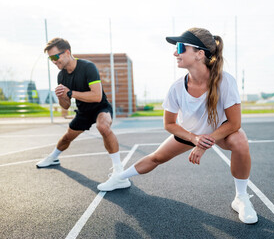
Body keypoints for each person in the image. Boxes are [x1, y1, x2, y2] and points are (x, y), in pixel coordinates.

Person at [97, 28, 258, 224]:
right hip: (190, 134)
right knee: (156, 157)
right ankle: (120, 177)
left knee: (240, 140)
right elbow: (169, 124)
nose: (175, 53)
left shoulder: (225, 81)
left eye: (181, 47)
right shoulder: (176, 88)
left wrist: (204, 143)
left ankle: (240, 198)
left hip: (221, 132)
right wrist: (195, 139)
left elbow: (235, 123)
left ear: (200, 54)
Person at [37, 38, 131, 190]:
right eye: (50, 58)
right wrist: (62, 97)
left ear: (67, 52)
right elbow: (66, 106)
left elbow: (97, 96)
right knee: (67, 137)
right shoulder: (61, 76)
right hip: (83, 112)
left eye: (55, 57)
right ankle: (53, 157)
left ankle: (119, 172)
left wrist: (70, 92)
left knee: (103, 127)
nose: (53, 61)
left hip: (100, 107)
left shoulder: (88, 67)